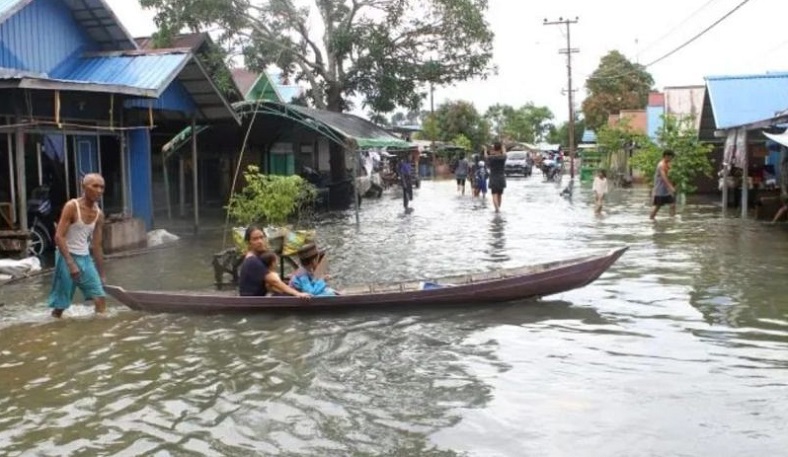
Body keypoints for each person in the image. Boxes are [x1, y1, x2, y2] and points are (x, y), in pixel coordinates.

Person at [48, 173, 107, 318]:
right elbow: (59, 236)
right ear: (84, 187)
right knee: (61, 305)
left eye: (102, 187)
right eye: (95, 186)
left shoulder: (99, 214)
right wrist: (71, 264)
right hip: (66, 257)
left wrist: (102, 274)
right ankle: (53, 327)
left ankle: (98, 335)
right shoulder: (72, 206)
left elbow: (97, 245)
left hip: (85, 258)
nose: (99, 190)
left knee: (100, 298)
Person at [238, 226, 310, 298]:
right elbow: (274, 281)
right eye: (255, 239)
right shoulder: (252, 261)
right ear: (249, 243)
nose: (260, 241)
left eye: (261, 237)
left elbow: (270, 286)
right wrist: (297, 293)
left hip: (255, 301)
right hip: (251, 304)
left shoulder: (255, 258)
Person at [650, 150, 676, 220]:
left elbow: (670, 175)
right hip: (660, 189)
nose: (671, 159)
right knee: (658, 206)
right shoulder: (661, 165)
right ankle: (651, 219)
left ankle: (672, 220)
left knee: (672, 205)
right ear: (666, 156)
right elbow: (664, 177)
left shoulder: (668, 164)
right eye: (670, 157)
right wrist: (671, 187)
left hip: (667, 190)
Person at [486, 142, 507, 212]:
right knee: (500, 195)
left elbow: (486, 156)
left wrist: (485, 150)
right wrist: (503, 147)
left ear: (494, 149)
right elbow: (504, 153)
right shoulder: (503, 158)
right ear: (500, 149)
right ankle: (498, 208)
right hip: (501, 177)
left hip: (493, 177)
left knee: (494, 194)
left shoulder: (491, 158)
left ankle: (496, 209)